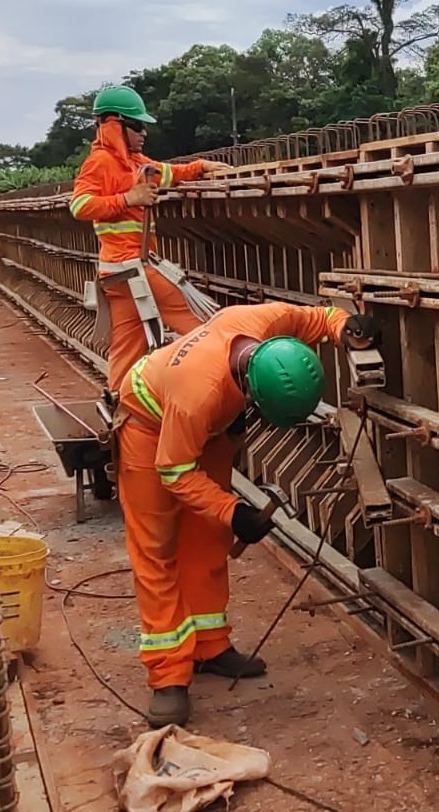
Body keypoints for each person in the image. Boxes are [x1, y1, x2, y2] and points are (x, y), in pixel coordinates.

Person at [114, 301, 357, 728]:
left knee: (208, 537)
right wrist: (234, 511)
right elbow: (173, 470)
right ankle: (168, 674)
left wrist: (347, 328)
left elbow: (318, 317)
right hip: (149, 430)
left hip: (209, 430)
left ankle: (210, 646)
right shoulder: (197, 394)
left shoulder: (264, 324)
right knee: (157, 550)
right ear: (250, 391)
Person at [68, 85, 232, 393]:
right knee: (203, 326)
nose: (144, 132)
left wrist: (202, 167)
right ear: (114, 123)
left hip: (120, 275)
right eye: (138, 125)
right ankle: (214, 389)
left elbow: (167, 172)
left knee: (127, 350)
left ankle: (118, 408)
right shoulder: (100, 162)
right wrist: (128, 198)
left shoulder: (134, 161)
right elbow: (79, 205)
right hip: (133, 269)